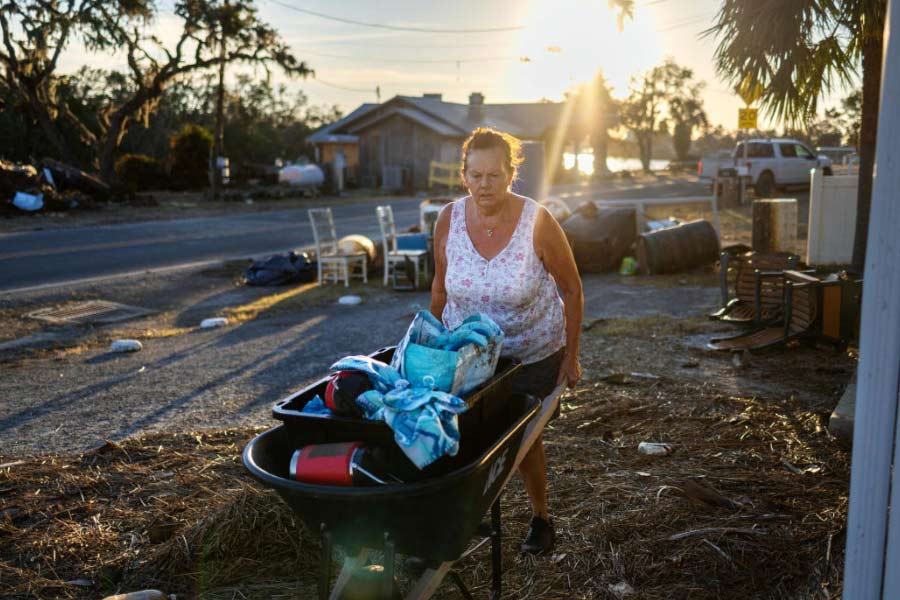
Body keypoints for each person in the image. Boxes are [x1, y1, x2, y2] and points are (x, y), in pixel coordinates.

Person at [430, 127, 584, 554]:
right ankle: (465, 514)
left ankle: (541, 517)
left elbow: (572, 289)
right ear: (464, 175)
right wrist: (432, 346)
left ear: (511, 174)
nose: (485, 185)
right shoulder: (448, 220)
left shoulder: (538, 221)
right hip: (468, 355)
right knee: (464, 435)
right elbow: (440, 287)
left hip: (529, 355)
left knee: (523, 440)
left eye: (494, 175)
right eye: (476, 175)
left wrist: (571, 357)